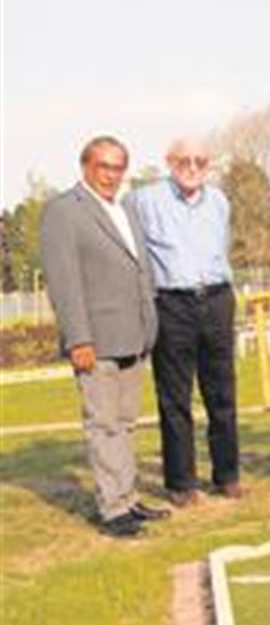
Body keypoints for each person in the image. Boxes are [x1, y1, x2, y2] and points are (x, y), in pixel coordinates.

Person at [39, 136, 169, 537]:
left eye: (119, 167)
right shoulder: (63, 211)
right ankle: (112, 509)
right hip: (95, 339)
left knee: (125, 422)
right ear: (86, 167)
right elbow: (64, 281)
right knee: (104, 423)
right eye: (105, 166)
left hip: (133, 335)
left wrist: (150, 324)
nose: (112, 174)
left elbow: (139, 269)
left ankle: (127, 497)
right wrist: (78, 338)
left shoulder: (125, 210)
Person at [129, 137, 241, 507]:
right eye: (184, 161)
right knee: (175, 397)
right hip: (171, 304)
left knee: (222, 393)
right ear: (169, 161)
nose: (192, 167)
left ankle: (227, 475)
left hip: (216, 298)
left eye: (200, 161)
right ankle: (181, 482)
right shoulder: (144, 201)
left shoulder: (219, 201)